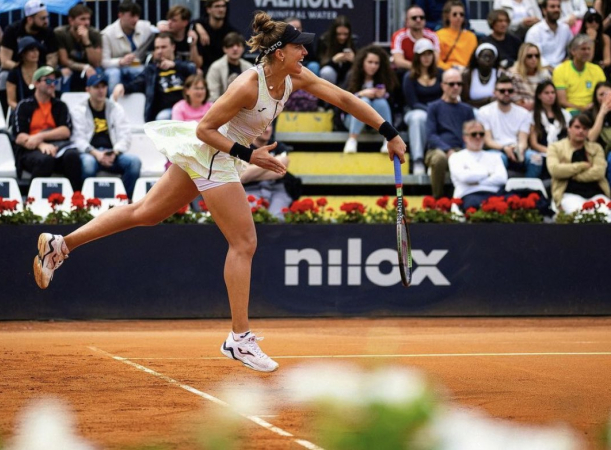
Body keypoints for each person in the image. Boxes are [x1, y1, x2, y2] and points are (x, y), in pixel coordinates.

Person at [31, 12, 406, 373]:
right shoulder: (246, 85)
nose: (305, 53)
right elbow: (204, 129)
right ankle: (239, 338)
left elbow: (344, 98)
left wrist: (388, 133)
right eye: (299, 48)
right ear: (280, 52)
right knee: (243, 243)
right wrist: (249, 155)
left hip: (221, 154)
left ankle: (61, 246)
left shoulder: (297, 76)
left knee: (145, 212)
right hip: (215, 153)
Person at [13, 66, 82, 190]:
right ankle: (32, 200)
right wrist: (41, 145)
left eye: (55, 81)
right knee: (45, 159)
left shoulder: (60, 105)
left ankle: (77, 200)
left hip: (58, 147)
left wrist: (40, 137)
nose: (53, 84)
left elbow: (65, 131)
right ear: (36, 83)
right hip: (31, 151)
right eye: (48, 81)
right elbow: (20, 137)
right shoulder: (24, 106)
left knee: (72, 156)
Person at [70, 73, 140, 196]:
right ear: (88, 90)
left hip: (112, 153)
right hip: (90, 154)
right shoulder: (79, 110)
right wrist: (96, 154)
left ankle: (124, 201)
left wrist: (115, 152)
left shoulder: (116, 108)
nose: (101, 90)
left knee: (134, 162)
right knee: (88, 164)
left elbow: (125, 135)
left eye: (103, 86)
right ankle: (87, 203)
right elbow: (78, 139)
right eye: (96, 87)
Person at [112, 33, 196, 121]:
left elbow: (193, 69)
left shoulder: (182, 66)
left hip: (187, 108)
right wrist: (122, 86)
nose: (159, 51)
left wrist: (174, 65)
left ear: (173, 47)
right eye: (157, 48)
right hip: (166, 112)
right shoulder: (151, 70)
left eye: (163, 47)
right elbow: (136, 83)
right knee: (163, 118)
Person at [425, 68, 475, 198]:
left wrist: (463, 152)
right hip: (437, 150)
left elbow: (472, 134)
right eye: (451, 84)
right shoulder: (434, 107)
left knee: (469, 158)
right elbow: (431, 135)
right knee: (439, 159)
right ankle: (438, 201)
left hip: (461, 149)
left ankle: (464, 201)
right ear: (443, 86)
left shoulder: (467, 110)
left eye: (459, 84)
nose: (456, 87)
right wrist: (448, 150)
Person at [478, 74, 541, 177]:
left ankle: (529, 189)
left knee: (536, 159)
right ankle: (501, 191)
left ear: (514, 92)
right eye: (502, 91)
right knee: (498, 159)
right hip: (496, 149)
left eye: (510, 91)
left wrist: (518, 150)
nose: (506, 93)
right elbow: (488, 141)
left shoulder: (523, 113)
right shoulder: (484, 112)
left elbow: (523, 141)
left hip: (516, 148)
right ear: (494, 93)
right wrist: (504, 148)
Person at [547, 113, 610, 213]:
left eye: (585, 128)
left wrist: (572, 175)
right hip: (568, 194)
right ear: (569, 128)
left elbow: (599, 172)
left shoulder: (596, 148)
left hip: (597, 194)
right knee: (579, 217)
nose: (581, 131)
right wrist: (582, 166)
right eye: (577, 127)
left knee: (607, 216)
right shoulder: (556, 147)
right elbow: (555, 170)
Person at [343, 45, 397, 153]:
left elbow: (396, 104)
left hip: (376, 122)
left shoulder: (386, 78)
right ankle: (352, 139)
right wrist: (361, 94)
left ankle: (388, 139)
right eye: (370, 62)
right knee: (364, 101)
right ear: (362, 62)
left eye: (376, 63)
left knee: (381, 102)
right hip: (353, 120)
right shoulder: (352, 76)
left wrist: (384, 95)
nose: (373, 66)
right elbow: (342, 100)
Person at [403, 38, 444, 174]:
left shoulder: (441, 74)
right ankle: (418, 160)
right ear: (417, 57)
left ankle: (434, 160)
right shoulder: (409, 77)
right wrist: (432, 111)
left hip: (439, 111)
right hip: (415, 111)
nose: (426, 58)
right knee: (419, 118)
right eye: (423, 54)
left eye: (429, 54)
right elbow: (413, 103)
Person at [449, 120, 508, 210]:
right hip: (468, 195)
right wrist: (488, 173)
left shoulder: (495, 156)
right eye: (473, 134)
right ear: (465, 137)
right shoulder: (456, 157)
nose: (478, 137)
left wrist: (477, 181)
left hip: (494, 195)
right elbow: (464, 177)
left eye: (481, 134)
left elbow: (502, 178)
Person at [101, 0, 154, 94]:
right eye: (132, 16)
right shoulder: (107, 34)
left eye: (137, 16)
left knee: (145, 72)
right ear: (120, 15)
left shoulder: (145, 26)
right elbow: (104, 62)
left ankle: (146, 104)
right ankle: (113, 104)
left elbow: (157, 29)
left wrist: (163, 26)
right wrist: (120, 61)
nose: (136, 19)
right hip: (115, 67)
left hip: (136, 66)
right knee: (114, 74)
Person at [241, 124, 292, 221]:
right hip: (250, 189)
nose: (267, 130)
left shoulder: (279, 146)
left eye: (270, 126)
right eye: (264, 126)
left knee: (277, 218)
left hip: (276, 190)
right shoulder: (244, 147)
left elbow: (280, 172)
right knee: (252, 218)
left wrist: (252, 168)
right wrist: (273, 163)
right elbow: (243, 175)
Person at [552, 34, 606, 113]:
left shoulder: (597, 70)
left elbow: (605, 92)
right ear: (573, 51)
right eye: (583, 49)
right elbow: (562, 101)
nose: (587, 52)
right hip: (571, 111)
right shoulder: (560, 70)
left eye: (589, 49)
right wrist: (582, 108)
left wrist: (594, 105)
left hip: (594, 109)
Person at [55, 4, 102, 93]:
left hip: (90, 67)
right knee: (65, 73)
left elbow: (96, 63)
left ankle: (98, 102)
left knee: (98, 72)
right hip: (70, 67)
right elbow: (64, 60)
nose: (87, 22)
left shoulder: (94, 34)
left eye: (88, 19)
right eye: (82, 19)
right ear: (71, 21)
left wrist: (86, 41)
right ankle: (64, 102)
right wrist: (84, 67)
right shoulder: (61, 33)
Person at [529, 80, 572, 177]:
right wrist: (551, 152)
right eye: (546, 93)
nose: (550, 96)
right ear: (539, 95)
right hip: (543, 153)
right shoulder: (533, 116)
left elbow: (570, 138)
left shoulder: (565, 114)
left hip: (563, 152)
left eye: (553, 93)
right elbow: (534, 143)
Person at [0, 0, 57, 71]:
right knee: (3, 76)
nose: (46, 21)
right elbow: (5, 61)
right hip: (16, 69)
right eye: (42, 18)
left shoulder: (49, 32)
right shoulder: (12, 30)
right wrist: (24, 71)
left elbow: (52, 58)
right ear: (30, 19)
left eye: (47, 17)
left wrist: (43, 72)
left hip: (41, 70)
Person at [525, 0, 573, 70]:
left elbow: (573, 49)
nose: (556, 9)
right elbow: (532, 57)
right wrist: (550, 69)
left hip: (564, 69)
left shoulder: (565, 29)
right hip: (541, 70)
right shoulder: (534, 32)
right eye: (552, 7)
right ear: (544, 10)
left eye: (558, 7)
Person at [206, 32, 252, 102]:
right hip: (221, 107)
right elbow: (212, 96)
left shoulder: (249, 68)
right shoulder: (216, 67)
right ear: (224, 49)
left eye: (238, 45)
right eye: (231, 46)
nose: (235, 48)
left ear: (243, 49)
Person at [391, 5, 441, 71]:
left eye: (422, 17)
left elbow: (435, 59)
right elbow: (398, 61)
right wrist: (418, 69)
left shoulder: (432, 36)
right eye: (414, 18)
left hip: (428, 70)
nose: (418, 20)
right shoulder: (399, 36)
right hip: (407, 70)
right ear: (407, 21)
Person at [194, 0, 238, 74]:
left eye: (223, 6)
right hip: (203, 71)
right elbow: (190, 24)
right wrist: (198, 27)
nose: (221, 10)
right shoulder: (200, 27)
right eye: (217, 6)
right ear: (208, 9)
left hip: (223, 71)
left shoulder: (231, 32)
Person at [508, 42, 552, 110]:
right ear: (522, 57)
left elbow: (551, 97)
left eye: (536, 56)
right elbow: (516, 102)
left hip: (543, 110)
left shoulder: (545, 74)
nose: (534, 59)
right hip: (521, 112)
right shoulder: (512, 75)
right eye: (529, 56)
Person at [436, 0, 478, 71]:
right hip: (447, 72)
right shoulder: (439, 35)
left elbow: (475, 61)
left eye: (461, 14)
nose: (458, 17)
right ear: (447, 16)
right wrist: (451, 68)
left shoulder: (471, 37)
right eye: (455, 14)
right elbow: (437, 61)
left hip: (467, 73)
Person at [317, 15, 356, 86]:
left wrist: (354, 60)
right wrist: (333, 60)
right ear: (334, 33)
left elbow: (362, 66)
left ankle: (347, 96)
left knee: (354, 72)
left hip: (347, 75)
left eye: (345, 34)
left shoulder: (354, 41)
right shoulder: (324, 40)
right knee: (326, 71)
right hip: (332, 72)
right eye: (339, 34)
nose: (342, 37)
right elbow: (320, 64)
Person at [461, 43, 503, 108]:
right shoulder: (468, 75)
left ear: (495, 60)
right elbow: (464, 101)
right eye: (485, 56)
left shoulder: (499, 75)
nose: (487, 59)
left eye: (491, 57)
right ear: (477, 58)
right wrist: (488, 100)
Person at [6, 36, 41, 111]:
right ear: (23, 53)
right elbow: (11, 101)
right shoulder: (14, 73)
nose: (36, 53)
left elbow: (51, 94)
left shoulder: (45, 71)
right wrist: (23, 110)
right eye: (31, 50)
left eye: (37, 50)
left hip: (42, 111)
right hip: (21, 112)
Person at [579, 9, 611, 74]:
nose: (594, 23)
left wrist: (601, 64)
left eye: (597, 20)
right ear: (585, 23)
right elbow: (588, 60)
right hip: (583, 69)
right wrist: (591, 40)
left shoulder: (605, 38)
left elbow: (608, 60)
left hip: (600, 68)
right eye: (590, 20)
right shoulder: (579, 38)